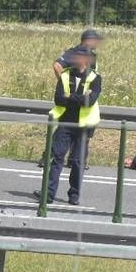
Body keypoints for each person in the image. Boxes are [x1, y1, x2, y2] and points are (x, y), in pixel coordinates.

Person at [33, 47, 101, 205]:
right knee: (56, 158)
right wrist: (79, 98)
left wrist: (69, 96)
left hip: (84, 125)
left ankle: (74, 195)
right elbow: (58, 99)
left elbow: (90, 102)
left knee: (77, 162)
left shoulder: (95, 78)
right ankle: (48, 194)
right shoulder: (65, 75)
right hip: (66, 122)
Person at [40, 28, 104, 170]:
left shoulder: (91, 54)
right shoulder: (74, 53)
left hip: (85, 102)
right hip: (73, 100)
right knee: (64, 131)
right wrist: (65, 85)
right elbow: (57, 66)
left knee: (82, 132)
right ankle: (49, 157)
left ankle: (75, 160)